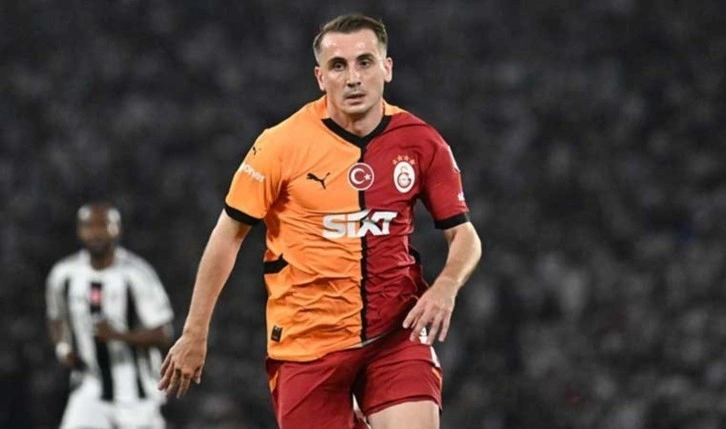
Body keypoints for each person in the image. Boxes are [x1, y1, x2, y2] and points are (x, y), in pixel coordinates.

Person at [159, 13, 482, 429]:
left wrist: (446, 285)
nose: (353, 78)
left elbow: (465, 235)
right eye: (338, 66)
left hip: (395, 333)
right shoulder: (281, 144)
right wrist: (195, 332)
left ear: (387, 68)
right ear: (320, 77)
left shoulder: (420, 141)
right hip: (306, 344)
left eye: (365, 62)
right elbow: (227, 236)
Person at [46, 202, 174, 429]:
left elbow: (163, 334)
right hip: (90, 388)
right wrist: (63, 348)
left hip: (137, 394)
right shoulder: (64, 275)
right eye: (89, 226)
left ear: (117, 229)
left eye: (103, 225)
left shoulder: (137, 274)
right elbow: (56, 317)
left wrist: (118, 336)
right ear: (79, 230)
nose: (96, 232)